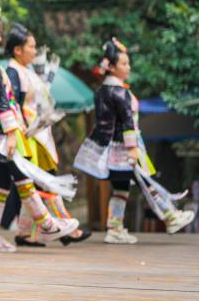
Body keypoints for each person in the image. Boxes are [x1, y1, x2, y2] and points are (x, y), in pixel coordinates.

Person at [0, 1, 78, 252]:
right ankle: (45, 223)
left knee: (3, 181)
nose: (0, 39)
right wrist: (11, 133)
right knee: (19, 177)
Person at [73, 38, 194, 243]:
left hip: (107, 147)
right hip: (125, 149)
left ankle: (115, 228)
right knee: (145, 181)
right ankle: (170, 216)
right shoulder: (121, 93)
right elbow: (128, 122)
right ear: (110, 67)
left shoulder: (101, 91)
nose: (128, 67)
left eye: (128, 63)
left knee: (121, 187)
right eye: (124, 63)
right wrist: (132, 149)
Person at [5, 24, 89, 246]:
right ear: (17, 50)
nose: (35, 51)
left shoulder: (26, 71)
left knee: (34, 182)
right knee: (45, 179)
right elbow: (12, 104)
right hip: (28, 135)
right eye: (31, 47)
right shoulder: (13, 72)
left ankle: (24, 232)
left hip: (38, 133)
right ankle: (65, 226)